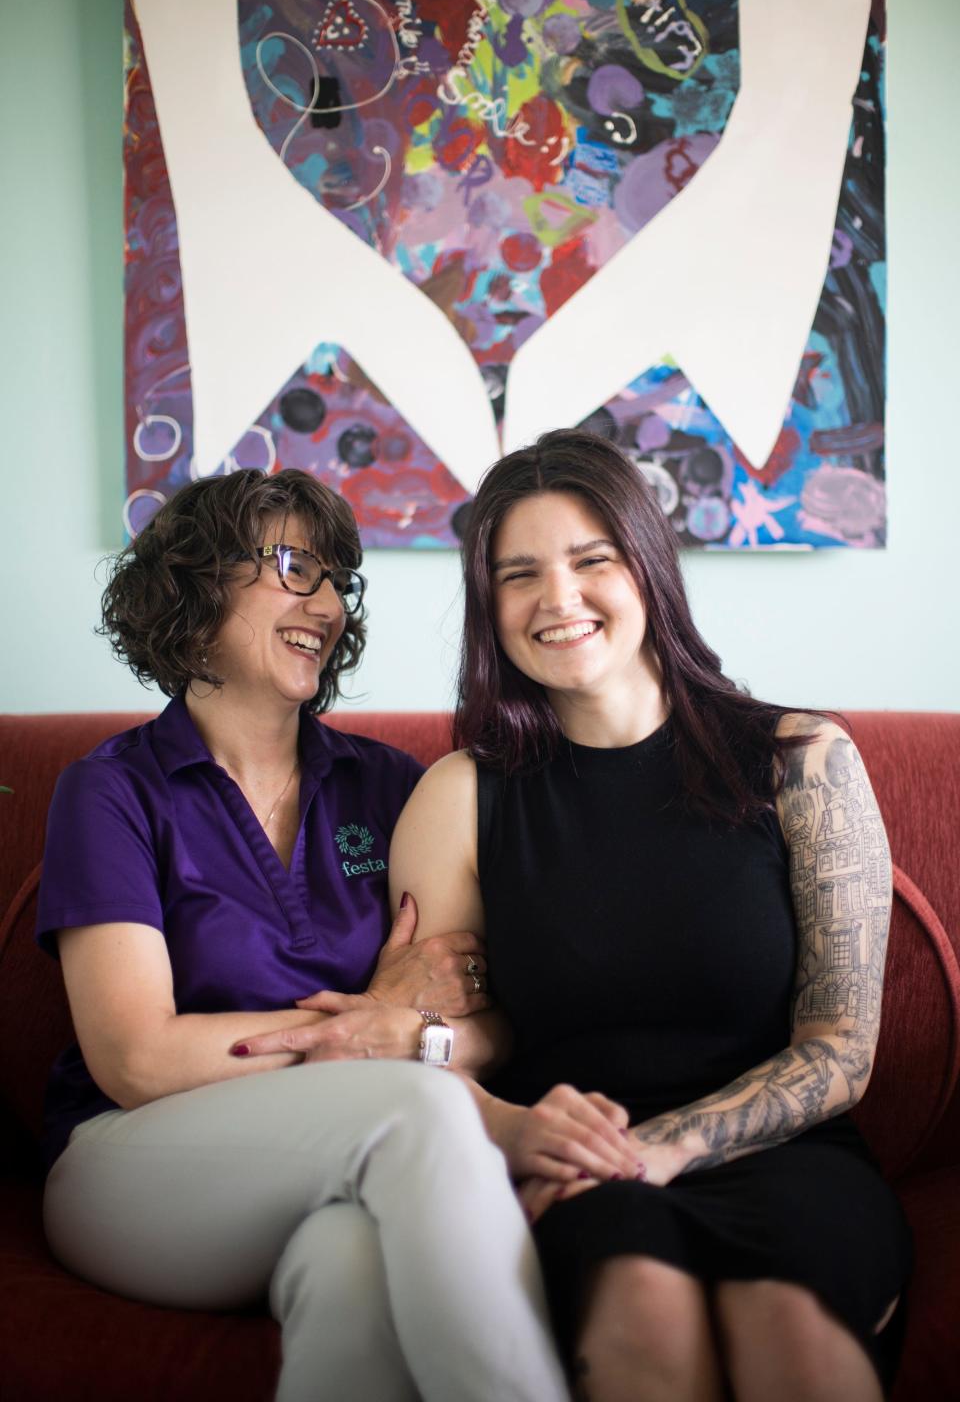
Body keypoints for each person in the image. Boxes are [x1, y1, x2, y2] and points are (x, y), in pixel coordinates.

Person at [384, 431, 911, 1402]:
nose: (558, 598)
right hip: (582, 1171)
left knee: (787, 1331)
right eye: (519, 574)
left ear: (649, 569)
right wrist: (504, 1128)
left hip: (784, 1160)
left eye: (593, 560)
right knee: (644, 1325)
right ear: (486, 605)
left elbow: (842, 1049)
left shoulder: (803, 760)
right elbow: (425, 1045)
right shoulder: (460, 796)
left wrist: (665, 1150)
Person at [36, 467, 573, 1402]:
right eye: (292, 566)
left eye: (335, 577)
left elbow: (488, 1018)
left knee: (355, 1267)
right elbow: (138, 1058)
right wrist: (373, 1023)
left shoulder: (392, 786)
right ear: (195, 586)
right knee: (425, 1111)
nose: (325, 601)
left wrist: (415, 1035)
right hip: (129, 1162)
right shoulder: (112, 791)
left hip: (321, 1170)